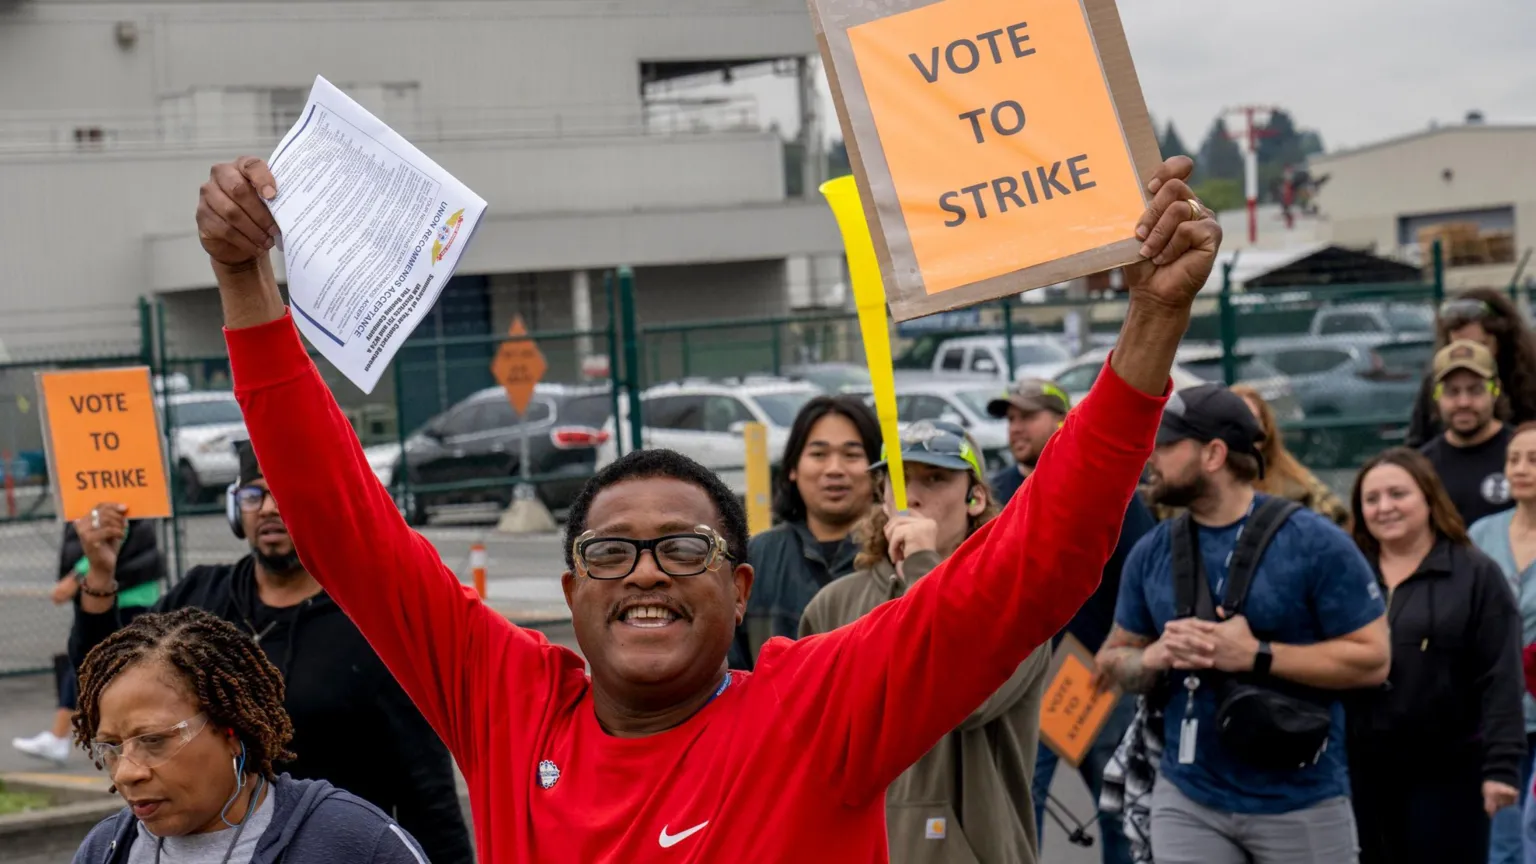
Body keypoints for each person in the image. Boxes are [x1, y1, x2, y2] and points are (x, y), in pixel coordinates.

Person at [197, 151, 1218, 860]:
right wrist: (246, 282)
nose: (643, 571)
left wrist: (1150, 330)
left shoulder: (814, 709)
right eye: (611, 553)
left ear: (737, 588)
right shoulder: (505, 699)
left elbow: (1032, 568)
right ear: (569, 590)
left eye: (681, 547)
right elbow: (342, 520)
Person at [71, 440, 472, 864]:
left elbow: (426, 786)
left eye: (283, 492)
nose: (266, 508)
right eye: (253, 494)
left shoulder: (373, 621)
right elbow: (108, 680)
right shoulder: (200, 597)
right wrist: (100, 574)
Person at [1095, 382, 1390, 864]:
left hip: (1302, 797)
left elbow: (1374, 659)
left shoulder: (1314, 542)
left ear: (1213, 454)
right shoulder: (1152, 551)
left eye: (1167, 444)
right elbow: (1109, 663)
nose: (1153, 457)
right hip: (1188, 797)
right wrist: (1156, 655)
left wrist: (1257, 655)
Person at [799, 420, 1051, 863]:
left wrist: (922, 566)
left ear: (975, 497)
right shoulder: (832, 605)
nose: (913, 495)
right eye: (899, 480)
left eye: (935, 478)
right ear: (882, 497)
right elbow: (808, 748)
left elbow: (961, 698)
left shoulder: (1016, 602)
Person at [70, 607, 431, 863]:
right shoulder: (105, 849)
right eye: (112, 747)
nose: (126, 773)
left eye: (153, 740)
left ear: (231, 731)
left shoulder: (354, 842)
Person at [987, 378, 1152, 864]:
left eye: (1027, 416)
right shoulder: (996, 493)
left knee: (1112, 804)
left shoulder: (1102, 483)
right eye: (1010, 418)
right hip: (1023, 677)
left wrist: (1121, 646)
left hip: (1095, 672)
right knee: (1024, 801)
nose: (1015, 427)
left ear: (1062, 421)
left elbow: (1140, 567)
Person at [1349, 447, 1525, 864]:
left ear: (1428, 498)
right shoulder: (1348, 571)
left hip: (1449, 770)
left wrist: (1501, 767)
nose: (1385, 507)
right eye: (1371, 499)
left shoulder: (1474, 573)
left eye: (1398, 494)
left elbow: (1501, 674)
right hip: (1360, 769)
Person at [729, 394, 880, 670]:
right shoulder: (757, 558)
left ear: (878, 471)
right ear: (793, 469)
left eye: (852, 455)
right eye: (819, 454)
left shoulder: (895, 557)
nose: (834, 469)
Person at [12, 520, 163, 766]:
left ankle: (63, 737)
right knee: (86, 663)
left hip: (124, 593)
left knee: (92, 663)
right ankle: (61, 736)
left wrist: (78, 576)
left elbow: (113, 534)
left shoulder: (105, 488)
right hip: (118, 590)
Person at [1471, 421, 1536, 864]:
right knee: (1504, 841)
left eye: (1533, 459)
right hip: (1497, 718)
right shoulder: (1479, 536)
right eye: (1513, 459)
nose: (1521, 468)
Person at [1407, 290, 1536, 449]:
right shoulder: (1435, 383)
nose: (1470, 355)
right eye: (1460, 347)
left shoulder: (1527, 381)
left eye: (1480, 345)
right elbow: (1416, 446)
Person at [1420, 339, 1516, 527]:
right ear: (1436, 395)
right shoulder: (1423, 466)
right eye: (1451, 391)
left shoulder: (1522, 455)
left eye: (1476, 390)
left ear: (1495, 390)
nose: (1463, 402)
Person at [1231, 384, 1348, 525]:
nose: (1248, 429)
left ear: (1266, 426)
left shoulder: (1292, 478)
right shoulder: (1213, 483)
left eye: (1254, 420)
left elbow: (1337, 514)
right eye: (1238, 422)